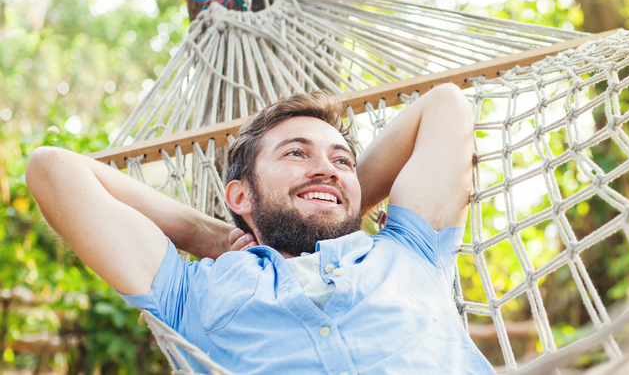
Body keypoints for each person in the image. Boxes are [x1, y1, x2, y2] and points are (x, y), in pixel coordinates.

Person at [26, 83, 495, 374]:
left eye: (342, 160)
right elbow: (53, 170)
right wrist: (209, 237)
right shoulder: (191, 293)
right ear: (239, 196)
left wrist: (331, 198)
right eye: (296, 152)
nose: (328, 168)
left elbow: (445, 105)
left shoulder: (411, 250)